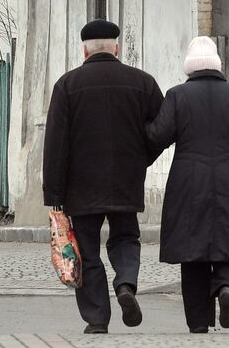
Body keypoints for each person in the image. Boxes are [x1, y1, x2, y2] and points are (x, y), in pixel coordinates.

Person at [43, 20, 164, 334]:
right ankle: (125, 285)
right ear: (117, 48)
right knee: (125, 237)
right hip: (126, 180)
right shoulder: (143, 83)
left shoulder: (67, 86)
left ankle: (97, 319)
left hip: (81, 188)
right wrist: (141, 159)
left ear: (84, 50)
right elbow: (161, 130)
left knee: (87, 249)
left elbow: (56, 144)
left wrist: (54, 196)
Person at [147, 36, 229, 333]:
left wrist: (140, 125)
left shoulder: (177, 96)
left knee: (193, 253)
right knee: (227, 244)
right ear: (217, 64)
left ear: (189, 67)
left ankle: (198, 324)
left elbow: (157, 136)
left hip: (188, 183)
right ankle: (226, 288)